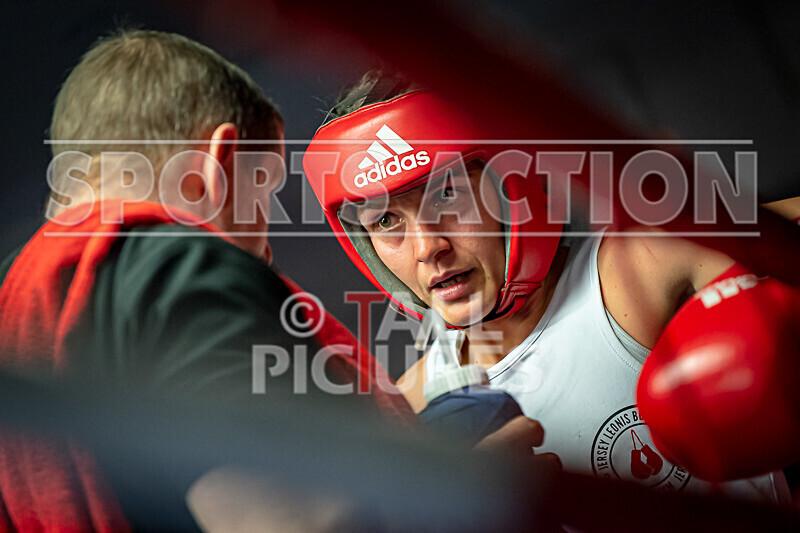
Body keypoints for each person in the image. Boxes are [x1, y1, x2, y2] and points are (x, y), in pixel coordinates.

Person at [303, 71, 800, 505]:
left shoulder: (640, 266)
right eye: (387, 220)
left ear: (513, 183)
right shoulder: (414, 409)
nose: (427, 247)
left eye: (448, 194)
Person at [0, 31, 412, 531]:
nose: (266, 246)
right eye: (263, 189)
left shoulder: (17, 302)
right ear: (211, 170)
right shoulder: (176, 265)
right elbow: (287, 520)